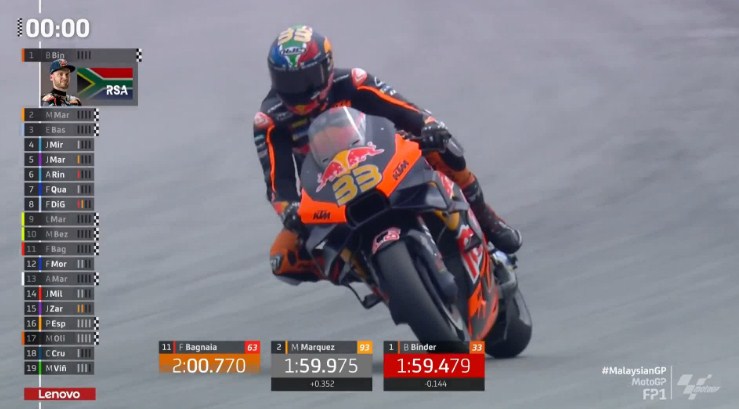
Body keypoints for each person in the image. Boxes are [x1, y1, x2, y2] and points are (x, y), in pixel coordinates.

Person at [253, 25, 522, 284]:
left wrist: (429, 127)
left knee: (444, 149)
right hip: (329, 190)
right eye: (287, 82)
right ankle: (364, 273)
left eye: (305, 79)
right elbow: (278, 182)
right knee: (282, 258)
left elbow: (405, 110)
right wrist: (288, 209)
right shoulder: (270, 119)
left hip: (384, 159)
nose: (298, 92)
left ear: (327, 68)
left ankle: (487, 220)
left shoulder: (353, 81)